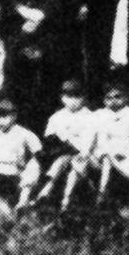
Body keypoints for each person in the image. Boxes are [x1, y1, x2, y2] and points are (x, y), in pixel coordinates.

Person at [32, 80, 94, 210]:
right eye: (68, 97)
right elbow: (49, 138)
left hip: (80, 153)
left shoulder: (90, 116)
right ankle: (34, 194)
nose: (73, 101)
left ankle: (64, 200)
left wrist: (79, 150)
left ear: (83, 98)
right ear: (62, 98)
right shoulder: (56, 117)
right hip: (60, 152)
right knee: (44, 160)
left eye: (77, 97)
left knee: (68, 161)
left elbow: (89, 141)